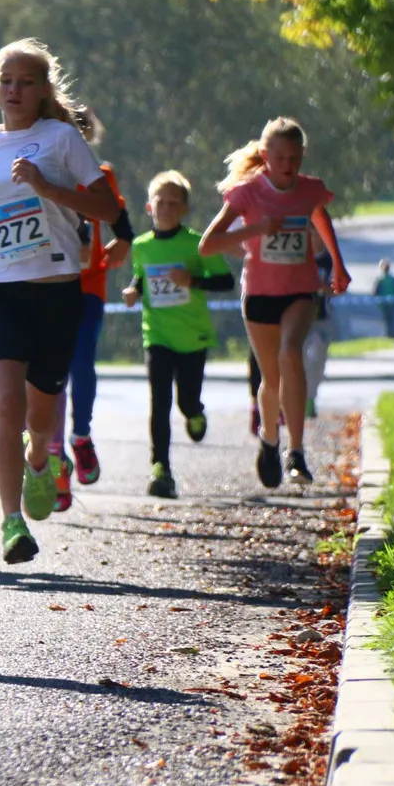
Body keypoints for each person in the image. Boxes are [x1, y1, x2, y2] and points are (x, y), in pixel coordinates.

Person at [0, 38, 121, 563]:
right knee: (8, 402)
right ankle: (11, 521)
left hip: (56, 291)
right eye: (6, 80)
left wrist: (50, 189)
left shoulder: (60, 139)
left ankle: (40, 461)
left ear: (44, 89)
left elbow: (104, 207)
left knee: (42, 417)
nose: (14, 89)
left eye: (26, 81)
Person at [199, 116, 351, 488]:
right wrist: (256, 231)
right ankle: (270, 439)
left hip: (300, 289)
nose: (288, 165)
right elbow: (208, 244)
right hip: (260, 294)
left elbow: (320, 217)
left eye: (295, 157)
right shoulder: (248, 192)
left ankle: (296, 453)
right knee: (271, 377)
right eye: (281, 157)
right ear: (266, 156)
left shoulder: (309, 189)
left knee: (291, 354)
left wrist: (338, 265)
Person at [122, 171, 233, 498]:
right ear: (148, 207)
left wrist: (193, 281)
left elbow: (225, 282)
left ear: (184, 209)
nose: (166, 208)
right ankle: (161, 468)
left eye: (174, 203)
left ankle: (195, 412)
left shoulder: (198, 243)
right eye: (161, 202)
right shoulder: (141, 246)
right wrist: (132, 290)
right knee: (160, 401)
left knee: (185, 400)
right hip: (156, 334)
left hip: (192, 336)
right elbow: (141, 279)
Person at [49, 106, 134, 511]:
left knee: (80, 364)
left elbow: (119, 213)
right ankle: (53, 457)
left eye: (77, 137)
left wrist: (125, 239)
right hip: (45, 282)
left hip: (88, 283)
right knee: (49, 374)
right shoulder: (39, 171)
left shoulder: (102, 174)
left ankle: (79, 436)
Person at [304, 242, 336, 419]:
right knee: (297, 359)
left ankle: (310, 398)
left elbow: (339, 287)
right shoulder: (300, 255)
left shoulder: (329, 259)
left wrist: (324, 289)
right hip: (298, 317)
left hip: (321, 318)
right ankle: (294, 398)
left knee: (318, 358)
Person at [374, 259, 394, 339]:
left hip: (384, 303)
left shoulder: (380, 280)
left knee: (386, 319)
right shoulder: (393, 279)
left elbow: (376, 291)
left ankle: (388, 334)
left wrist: (377, 300)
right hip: (393, 302)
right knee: (393, 318)